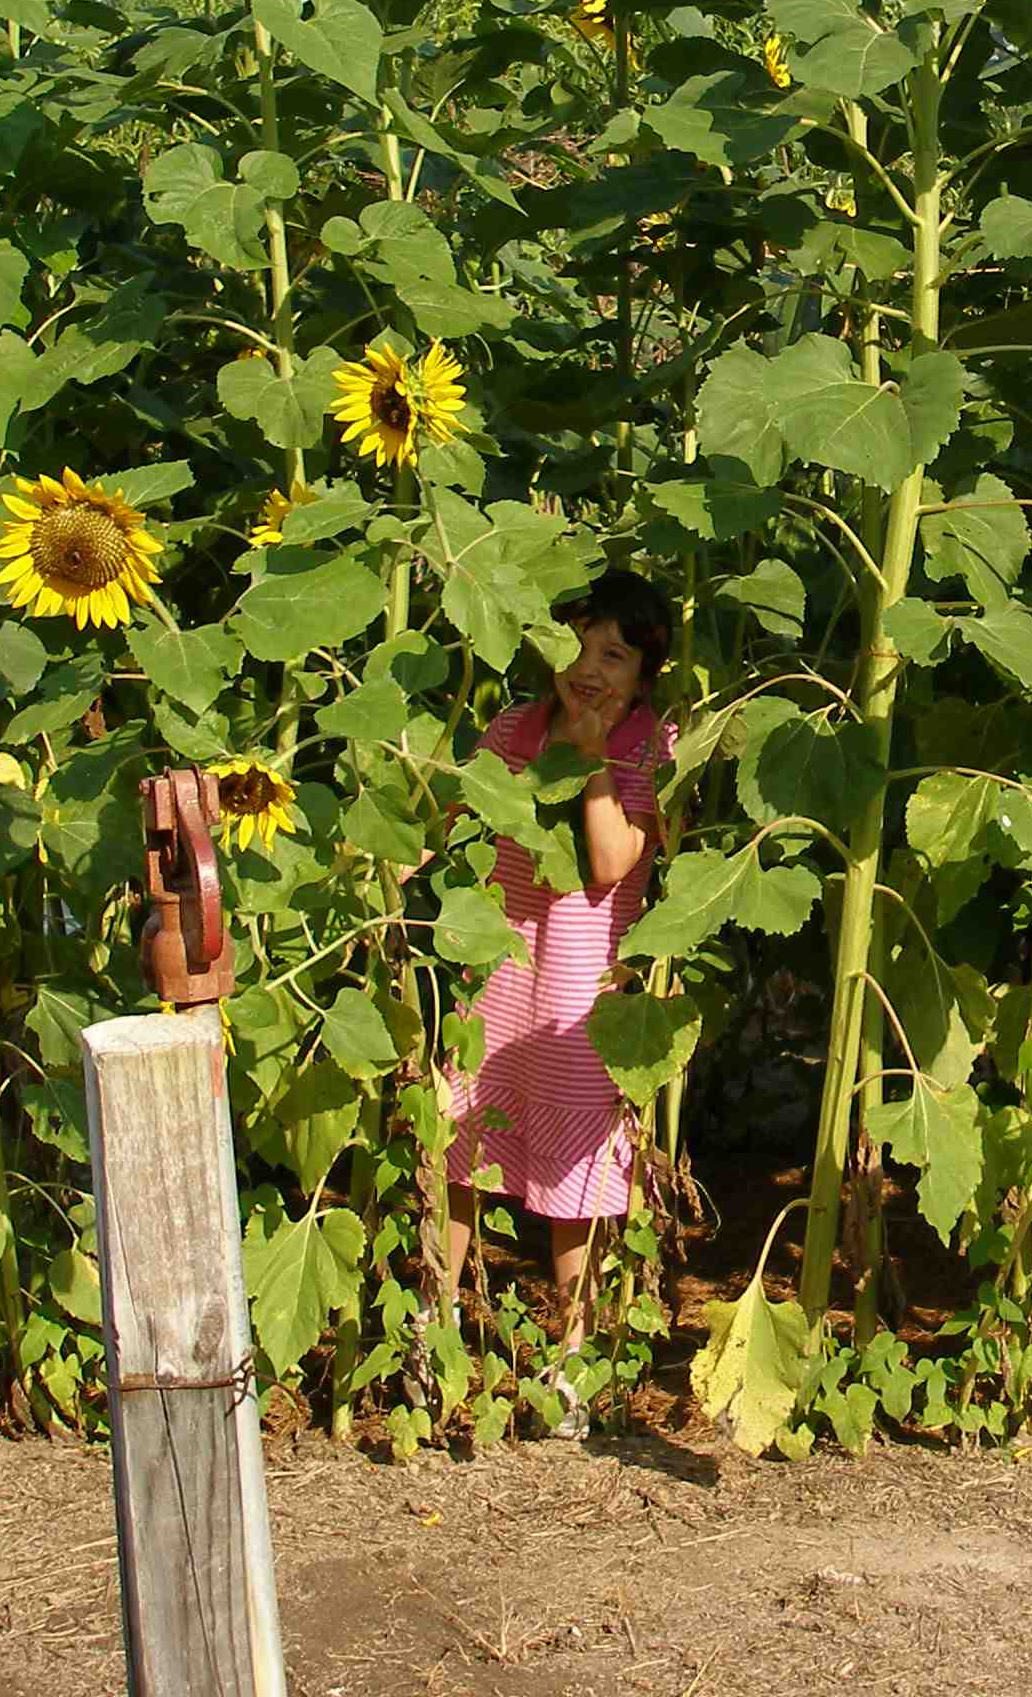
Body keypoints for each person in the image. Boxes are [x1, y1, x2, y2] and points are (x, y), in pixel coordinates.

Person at [441, 568, 676, 1439]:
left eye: (613, 654)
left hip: (580, 980)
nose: (589, 667)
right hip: (495, 955)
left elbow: (612, 862)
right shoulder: (513, 727)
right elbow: (461, 819)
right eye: (577, 644)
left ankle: (569, 1355)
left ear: (645, 674)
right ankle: (441, 1325)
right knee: (460, 1141)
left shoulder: (652, 745)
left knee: (572, 1167)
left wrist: (587, 756)